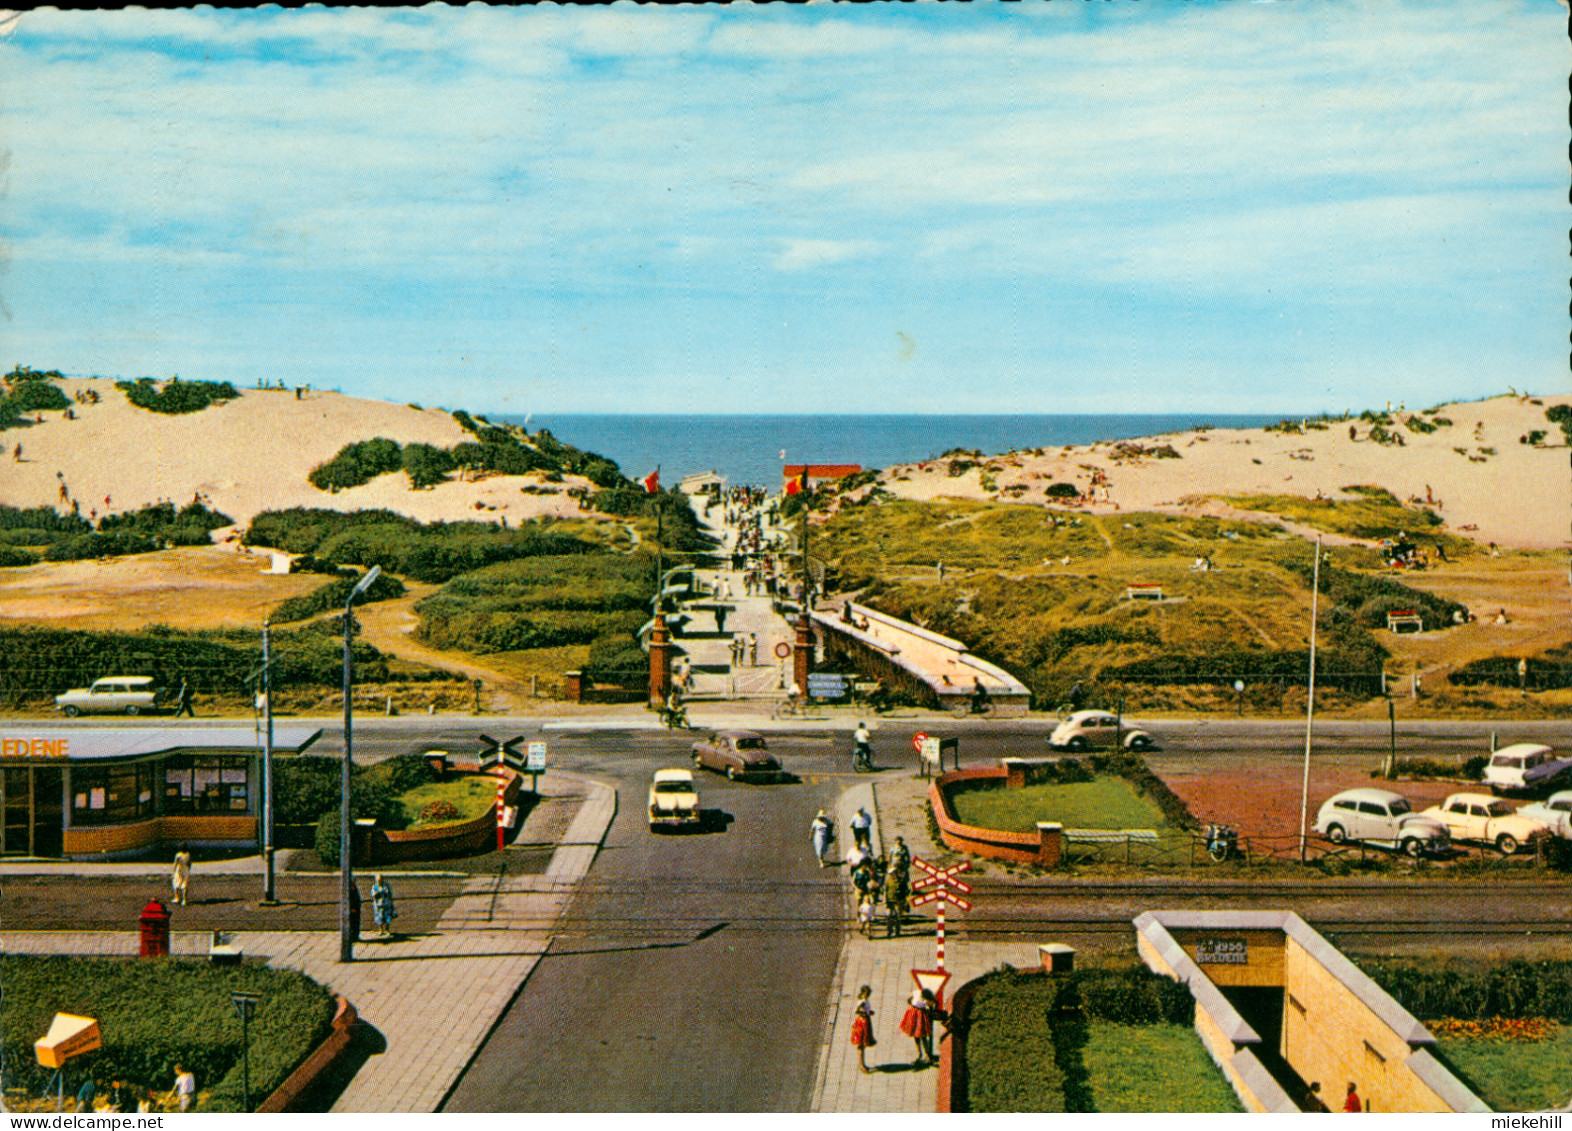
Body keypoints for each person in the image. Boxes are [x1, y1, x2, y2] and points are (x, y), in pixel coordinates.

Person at [899, 987, 943, 1066]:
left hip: (913, 1014)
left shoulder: (918, 993)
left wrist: (912, 1006)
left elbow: (909, 1000)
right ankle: (926, 1055)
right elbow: (934, 1004)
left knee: (918, 1036)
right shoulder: (924, 999)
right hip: (920, 1015)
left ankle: (922, 1055)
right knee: (922, 1036)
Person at [849, 985, 877, 1074]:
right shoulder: (862, 1002)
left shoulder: (865, 1001)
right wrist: (864, 1014)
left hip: (866, 1021)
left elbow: (865, 1010)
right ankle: (861, 1065)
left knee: (862, 1045)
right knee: (861, 1044)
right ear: (864, 993)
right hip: (862, 1023)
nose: (868, 995)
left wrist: (869, 1012)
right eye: (867, 994)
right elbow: (856, 1011)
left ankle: (862, 1064)